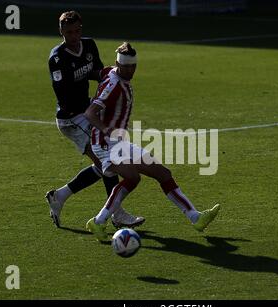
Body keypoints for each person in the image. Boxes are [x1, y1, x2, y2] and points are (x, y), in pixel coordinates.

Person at [83, 42, 220, 241]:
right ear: (118, 64)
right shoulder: (113, 86)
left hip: (119, 143)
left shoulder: (112, 73)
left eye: (133, 66)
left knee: (163, 173)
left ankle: (196, 217)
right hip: (105, 144)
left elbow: (99, 72)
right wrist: (106, 129)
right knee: (133, 177)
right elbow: (90, 113)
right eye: (126, 67)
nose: (130, 70)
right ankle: (98, 222)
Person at [46, 11, 145, 229]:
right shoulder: (57, 58)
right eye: (69, 32)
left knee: (103, 165)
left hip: (86, 110)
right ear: (61, 32)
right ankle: (117, 215)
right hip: (71, 117)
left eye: (77, 31)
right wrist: (94, 109)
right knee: (107, 162)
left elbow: (97, 72)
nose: (74, 36)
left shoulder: (89, 45)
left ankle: (59, 196)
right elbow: (64, 96)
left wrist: (113, 74)